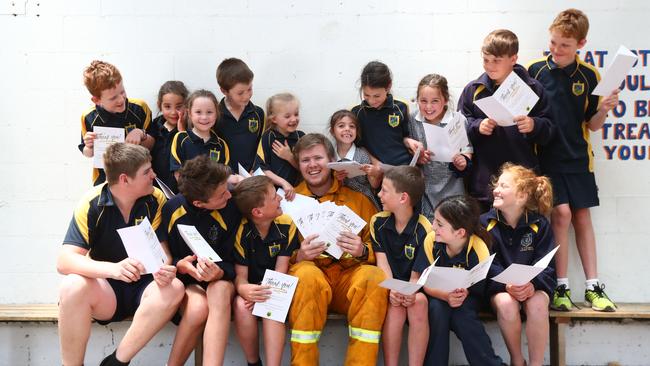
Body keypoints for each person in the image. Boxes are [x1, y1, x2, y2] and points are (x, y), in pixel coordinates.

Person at [57, 143, 184, 366]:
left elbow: (163, 250)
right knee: (71, 286)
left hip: (145, 288)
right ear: (125, 179)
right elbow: (64, 261)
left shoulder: (155, 198)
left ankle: (117, 361)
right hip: (107, 291)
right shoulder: (92, 203)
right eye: (147, 172)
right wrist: (114, 269)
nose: (154, 175)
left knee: (174, 288)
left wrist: (164, 266)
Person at [528, 8, 619, 312]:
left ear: (581, 43)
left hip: (579, 158)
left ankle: (593, 287)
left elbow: (592, 125)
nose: (556, 50)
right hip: (547, 159)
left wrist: (604, 108)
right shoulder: (534, 70)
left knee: (581, 217)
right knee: (561, 214)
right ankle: (560, 286)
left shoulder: (591, 75)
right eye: (553, 42)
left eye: (564, 45)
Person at [287, 133, 387, 366]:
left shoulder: (358, 199)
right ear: (298, 164)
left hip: (348, 281)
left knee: (373, 276)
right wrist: (299, 255)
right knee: (305, 274)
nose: (312, 165)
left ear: (331, 160)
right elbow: (272, 253)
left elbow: (380, 246)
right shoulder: (288, 202)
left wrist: (363, 251)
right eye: (305, 160)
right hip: (311, 282)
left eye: (318, 158)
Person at [458, 29, 553, 212]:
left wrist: (534, 125)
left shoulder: (534, 89)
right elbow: (459, 129)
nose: (490, 65)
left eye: (496, 60)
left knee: (524, 237)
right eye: (486, 60)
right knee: (486, 238)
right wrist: (478, 126)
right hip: (484, 184)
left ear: (513, 59)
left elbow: (550, 130)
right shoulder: (473, 89)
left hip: (522, 183)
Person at [162, 155, 241, 366]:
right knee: (197, 307)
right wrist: (181, 266)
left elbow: (238, 259)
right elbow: (165, 258)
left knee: (219, 290)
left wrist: (220, 272)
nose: (229, 196)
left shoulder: (232, 208)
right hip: (189, 282)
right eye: (222, 194)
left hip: (222, 280)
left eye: (227, 188)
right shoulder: (172, 209)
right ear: (199, 203)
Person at [414, 195, 503, 366]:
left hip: (468, 297)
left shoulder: (478, 247)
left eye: (440, 224)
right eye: (435, 220)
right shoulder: (431, 241)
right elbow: (423, 281)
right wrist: (445, 296)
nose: (433, 227)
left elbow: (478, 286)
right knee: (437, 310)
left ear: (460, 232)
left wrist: (462, 293)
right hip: (437, 296)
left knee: (463, 315)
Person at [484, 163, 556, 366]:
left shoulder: (540, 225)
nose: (496, 190)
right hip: (501, 290)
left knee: (538, 304)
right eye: (496, 185)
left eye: (504, 186)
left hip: (533, 288)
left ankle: (536, 363)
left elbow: (548, 266)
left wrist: (532, 285)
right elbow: (486, 264)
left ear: (522, 196)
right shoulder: (484, 223)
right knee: (507, 304)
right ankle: (517, 361)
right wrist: (507, 285)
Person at [231, 176, 300, 366]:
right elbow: (240, 277)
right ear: (258, 212)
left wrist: (265, 292)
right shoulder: (241, 230)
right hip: (251, 288)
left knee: (273, 300)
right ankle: (253, 362)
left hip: (276, 285)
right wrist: (246, 290)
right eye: (273, 197)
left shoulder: (287, 224)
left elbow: (281, 270)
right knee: (240, 305)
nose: (280, 198)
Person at [371, 166, 431, 366]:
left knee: (419, 302)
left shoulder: (425, 228)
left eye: (385, 190)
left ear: (403, 198)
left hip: (415, 286)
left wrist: (411, 290)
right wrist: (391, 288)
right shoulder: (377, 222)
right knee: (394, 307)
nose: (379, 194)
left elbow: (418, 273)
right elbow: (382, 261)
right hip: (390, 285)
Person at [79, 60, 155, 186]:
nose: (121, 100)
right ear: (96, 100)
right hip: (106, 181)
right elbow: (88, 153)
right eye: (113, 98)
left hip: (138, 179)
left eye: (122, 92)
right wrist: (89, 146)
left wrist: (141, 133)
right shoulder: (89, 117)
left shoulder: (140, 108)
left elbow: (152, 145)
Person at [409, 73, 473, 220]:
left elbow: (467, 151)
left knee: (451, 227)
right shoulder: (413, 119)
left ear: (445, 100)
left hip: (452, 188)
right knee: (428, 232)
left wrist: (462, 161)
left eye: (435, 101)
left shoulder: (457, 120)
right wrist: (417, 155)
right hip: (425, 190)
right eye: (423, 101)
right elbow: (410, 148)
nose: (428, 107)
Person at [351, 61, 422, 166]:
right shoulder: (356, 113)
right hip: (375, 171)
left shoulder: (401, 107)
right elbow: (358, 146)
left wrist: (409, 142)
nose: (371, 101)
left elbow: (404, 136)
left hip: (403, 167)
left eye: (377, 96)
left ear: (388, 87)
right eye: (366, 95)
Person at [215, 58, 266, 173]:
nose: (247, 96)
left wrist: (255, 169)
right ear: (224, 91)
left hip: (252, 177)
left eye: (249, 89)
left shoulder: (258, 114)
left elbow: (261, 147)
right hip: (224, 178)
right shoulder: (215, 116)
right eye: (240, 93)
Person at [253, 93, 305, 200]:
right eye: (287, 116)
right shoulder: (268, 137)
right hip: (275, 195)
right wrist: (283, 183)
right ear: (274, 119)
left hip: (299, 193)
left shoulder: (301, 137)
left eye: (296, 114)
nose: (294, 119)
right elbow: (260, 169)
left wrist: (290, 158)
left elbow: (307, 169)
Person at [328, 109, 382, 209]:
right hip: (338, 203)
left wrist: (373, 173)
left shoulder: (363, 154)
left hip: (363, 203)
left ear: (356, 131)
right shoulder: (329, 156)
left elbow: (374, 185)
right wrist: (336, 180)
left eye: (352, 126)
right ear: (332, 131)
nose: (347, 129)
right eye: (341, 126)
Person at [170, 89, 230, 179]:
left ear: (216, 114)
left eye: (209, 112)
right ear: (190, 113)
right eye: (198, 112)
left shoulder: (221, 145)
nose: (204, 117)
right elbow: (178, 174)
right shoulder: (180, 139)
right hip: (188, 192)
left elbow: (225, 177)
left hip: (214, 193)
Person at [150, 80, 188, 194]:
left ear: (186, 105)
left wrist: (182, 132)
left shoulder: (190, 129)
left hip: (181, 191)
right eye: (167, 106)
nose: (173, 112)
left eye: (178, 107)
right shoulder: (154, 125)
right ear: (159, 105)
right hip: (156, 188)